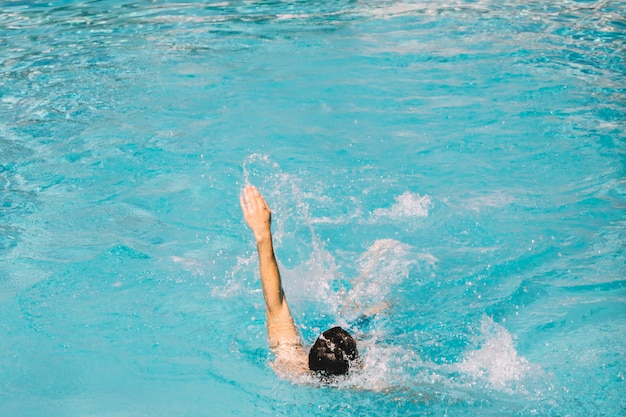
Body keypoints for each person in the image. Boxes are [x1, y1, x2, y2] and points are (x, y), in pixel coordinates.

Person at [240, 185, 358, 379]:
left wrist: (263, 234)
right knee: (372, 311)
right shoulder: (371, 385)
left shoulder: (289, 365)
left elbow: (275, 305)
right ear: (356, 366)